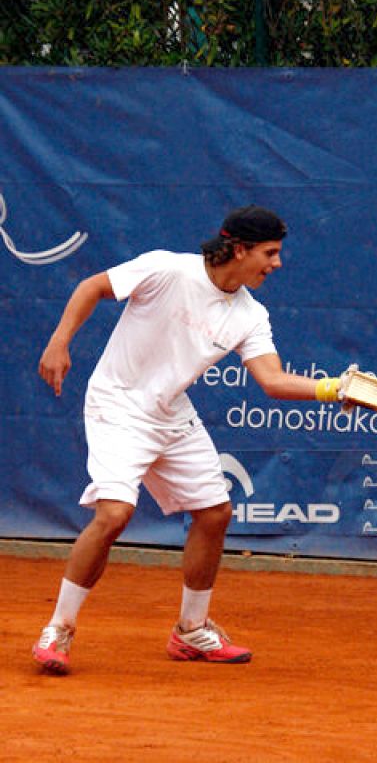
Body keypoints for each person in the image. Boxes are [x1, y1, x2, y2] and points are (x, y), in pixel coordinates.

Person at [32, 205, 342, 674]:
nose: (276, 264)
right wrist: (60, 341)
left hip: (171, 413)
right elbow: (92, 286)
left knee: (215, 513)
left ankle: (191, 631)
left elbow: (273, 381)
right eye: (269, 253)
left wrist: (336, 388)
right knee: (114, 513)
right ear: (239, 249)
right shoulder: (167, 268)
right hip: (117, 404)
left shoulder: (250, 314)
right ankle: (59, 628)